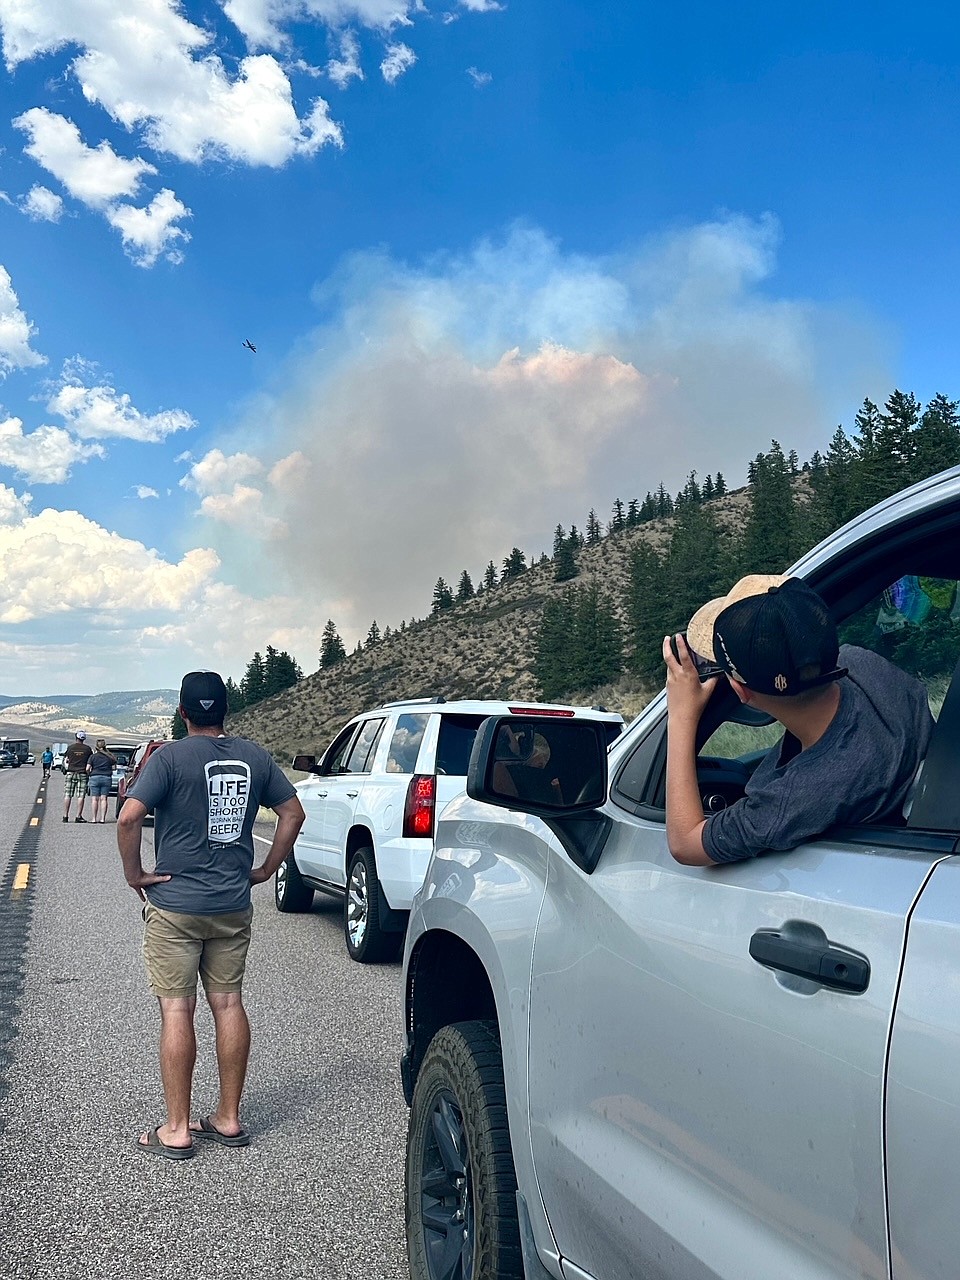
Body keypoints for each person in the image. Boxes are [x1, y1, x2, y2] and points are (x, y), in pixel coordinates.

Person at [117, 670, 305, 1161]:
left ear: (183, 712)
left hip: (177, 905)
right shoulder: (255, 756)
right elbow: (293, 813)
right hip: (231, 904)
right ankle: (227, 1117)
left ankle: (176, 1128)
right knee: (228, 1004)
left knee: (178, 1010)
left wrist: (136, 874)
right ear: (225, 711)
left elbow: (128, 815)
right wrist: (266, 867)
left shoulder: (170, 757)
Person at [662, 574, 934, 866]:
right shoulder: (862, 663)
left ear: (741, 690)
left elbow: (685, 843)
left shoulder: (797, 797)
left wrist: (680, 715)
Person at [62, 730, 93, 823]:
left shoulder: (70, 748)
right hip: (82, 773)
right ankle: (78, 816)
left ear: (76, 737)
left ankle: (65, 816)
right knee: (81, 796)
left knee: (68, 795)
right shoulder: (87, 749)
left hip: (70, 772)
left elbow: (66, 759)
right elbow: (90, 761)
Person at [87, 739, 117, 823]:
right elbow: (114, 768)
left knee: (94, 799)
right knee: (104, 798)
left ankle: (94, 818)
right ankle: (102, 818)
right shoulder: (110, 756)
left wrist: (90, 773)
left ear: (96, 747)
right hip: (106, 777)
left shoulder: (92, 757)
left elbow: (87, 768)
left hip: (95, 777)